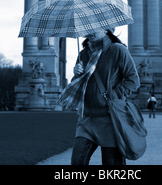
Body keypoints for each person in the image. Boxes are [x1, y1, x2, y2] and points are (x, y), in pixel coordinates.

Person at [60, 28, 140, 165]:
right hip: (87, 118)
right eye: (87, 26)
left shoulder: (118, 50)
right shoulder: (83, 54)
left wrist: (111, 96)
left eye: (93, 26)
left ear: (106, 29)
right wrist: (76, 75)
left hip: (111, 118)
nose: (89, 30)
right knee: (77, 162)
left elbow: (133, 81)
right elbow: (78, 85)